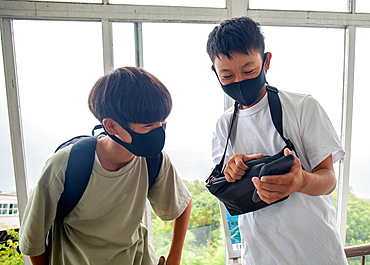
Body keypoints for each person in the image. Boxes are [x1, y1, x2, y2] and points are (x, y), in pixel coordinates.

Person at [207, 17, 348, 264]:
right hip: (260, 255)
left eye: (249, 70)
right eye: (227, 76)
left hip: (318, 253)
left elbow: (328, 179)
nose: (239, 81)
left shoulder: (302, 107)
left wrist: (301, 181)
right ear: (215, 73)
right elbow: (225, 189)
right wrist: (231, 170)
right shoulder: (224, 125)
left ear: (267, 61)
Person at [19, 67, 192, 265]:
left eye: (162, 123)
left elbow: (183, 203)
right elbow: (33, 240)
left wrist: (174, 258)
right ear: (111, 126)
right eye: (148, 126)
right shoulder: (65, 165)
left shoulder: (153, 160)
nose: (159, 132)